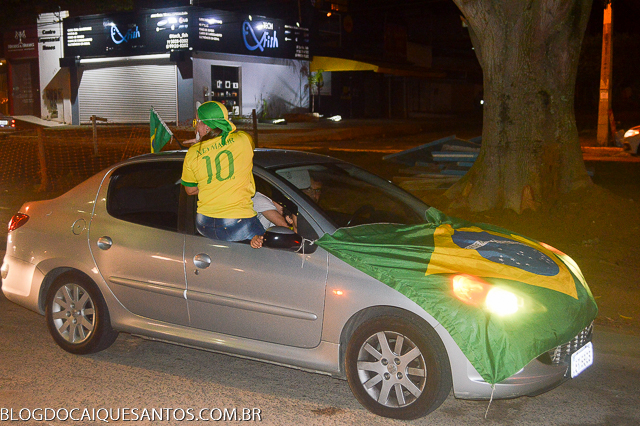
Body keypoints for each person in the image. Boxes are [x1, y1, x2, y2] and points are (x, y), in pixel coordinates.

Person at [181, 101, 263, 242]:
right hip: (236, 221)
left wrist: (200, 145)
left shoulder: (193, 152)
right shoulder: (243, 140)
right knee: (270, 248)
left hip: (204, 223)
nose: (196, 126)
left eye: (197, 122)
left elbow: (190, 190)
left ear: (207, 126)